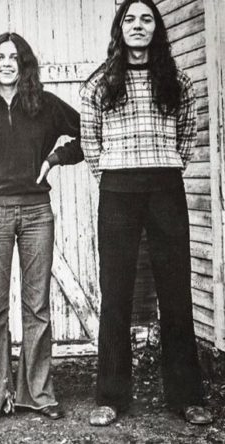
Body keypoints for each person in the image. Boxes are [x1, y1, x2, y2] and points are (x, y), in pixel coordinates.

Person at [80, 0, 213, 427]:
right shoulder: (100, 83)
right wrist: (112, 171)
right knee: (115, 292)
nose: (138, 26)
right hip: (118, 190)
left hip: (165, 188)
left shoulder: (177, 81)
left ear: (157, 28)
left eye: (146, 19)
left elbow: (188, 136)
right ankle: (111, 396)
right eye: (130, 19)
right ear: (119, 28)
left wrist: (166, 165)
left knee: (175, 291)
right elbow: (90, 141)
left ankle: (186, 396)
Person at [0, 32, 83, 426]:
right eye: (0, 57)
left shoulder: (44, 105)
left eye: (14, 57)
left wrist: (56, 157)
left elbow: (89, 133)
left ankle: (37, 394)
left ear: (24, 64)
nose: (7, 63)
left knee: (37, 306)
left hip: (36, 212)